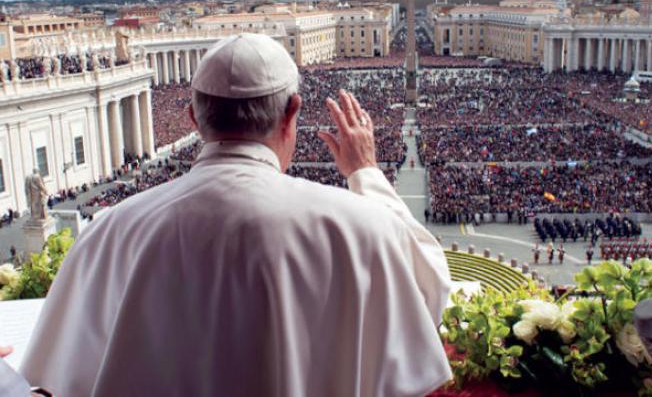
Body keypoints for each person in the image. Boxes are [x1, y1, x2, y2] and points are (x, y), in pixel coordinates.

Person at [18, 34, 452, 397]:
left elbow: (55, 376)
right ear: (292, 113)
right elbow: (431, 291)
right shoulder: (361, 227)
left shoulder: (111, 232)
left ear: (193, 118)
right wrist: (366, 174)